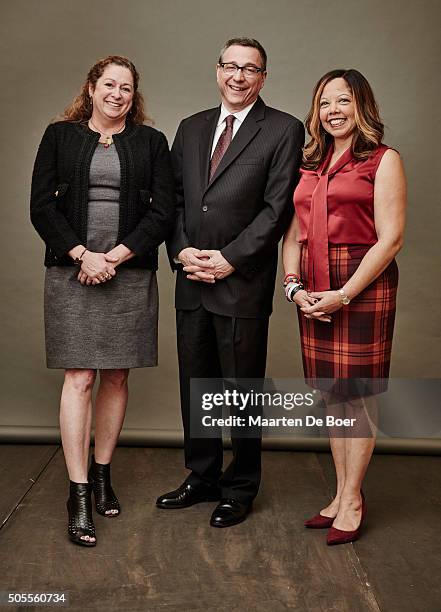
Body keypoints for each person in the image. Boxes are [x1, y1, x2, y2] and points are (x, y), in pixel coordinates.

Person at [157, 38, 304, 527]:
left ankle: (240, 487)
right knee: (196, 386)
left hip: (241, 283)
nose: (238, 76)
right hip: (191, 279)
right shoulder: (191, 127)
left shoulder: (283, 129)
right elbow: (173, 201)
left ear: (263, 77)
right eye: (230, 66)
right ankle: (201, 476)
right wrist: (180, 251)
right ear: (217, 71)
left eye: (250, 69)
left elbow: (276, 209)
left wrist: (228, 260)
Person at [30, 55, 175, 546]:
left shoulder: (152, 142)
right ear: (91, 88)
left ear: (135, 96)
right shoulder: (59, 135)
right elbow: (41, 206)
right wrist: (81, 254)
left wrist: (114, 255)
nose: (117, 94)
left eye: (126, 88)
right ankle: (78, 493)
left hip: (127, 271)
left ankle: (102, 474)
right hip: (71, 272)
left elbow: (164, 212)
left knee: (115, 374)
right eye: (109, 84)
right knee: (80, 376)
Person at [282, 69, 406, 545]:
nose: (333, 110)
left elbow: (391, 238)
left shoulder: (382, 159)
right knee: (333, 396)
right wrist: (294, 287)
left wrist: (346, 292)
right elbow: (293, 234)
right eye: (325, 102)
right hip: (313, 282)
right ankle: (339, 493)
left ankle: (353, 499)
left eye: (344, 101)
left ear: (362, 107)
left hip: (362, 281)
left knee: (357, 394)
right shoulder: (309, 163)